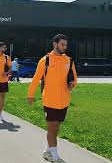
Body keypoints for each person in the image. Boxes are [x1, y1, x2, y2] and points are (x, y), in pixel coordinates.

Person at [27, 34, 77, 163]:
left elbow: (75, 79)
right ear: (55, 44)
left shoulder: (69, 61)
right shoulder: (45, 60)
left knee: (56, 128)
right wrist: (30, 95)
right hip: (49, 100)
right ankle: (55, 157)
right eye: (62, 44)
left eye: (65, 45)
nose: (64, 47)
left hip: (64, 101)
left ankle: (46, 151)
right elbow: (36, 78)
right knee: (51, 127)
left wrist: (73, 83)